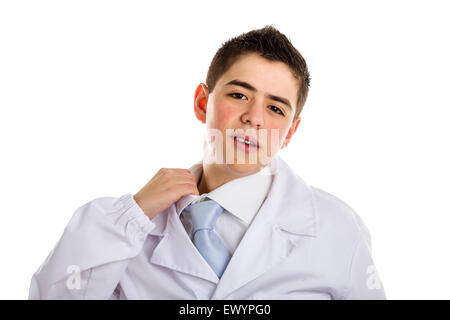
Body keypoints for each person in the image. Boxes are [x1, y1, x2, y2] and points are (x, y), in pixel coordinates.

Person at [28, 25, 386, 300]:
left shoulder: (338, 229)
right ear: (202, 102)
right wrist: (131, 216)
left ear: (290, 132)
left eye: (275, 108)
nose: (254, 117)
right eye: (238, 94)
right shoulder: (128, 228)